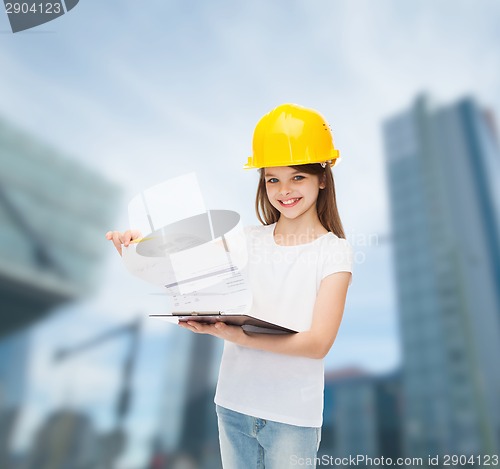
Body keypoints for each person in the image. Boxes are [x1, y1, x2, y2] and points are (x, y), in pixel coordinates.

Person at [106, 103, 353, 469]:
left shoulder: (335, 252)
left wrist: (241, 338)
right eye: (272, 179)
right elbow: (178, 263)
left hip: (292, 418)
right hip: (234, 406)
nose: (284, 190)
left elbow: (318, 344)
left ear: (322, 176)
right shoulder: (245, 240)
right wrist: (137, 245)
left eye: (297, 177)